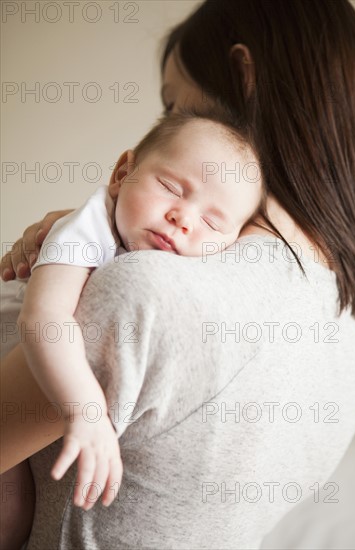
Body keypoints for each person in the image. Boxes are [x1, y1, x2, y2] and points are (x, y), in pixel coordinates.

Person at [1, 0, 355, 548]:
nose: (169, 122)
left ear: (244, 78)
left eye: (175, 103)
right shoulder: (349, 327)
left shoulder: (149, 291)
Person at [16, 110, 263, 510]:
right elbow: (44, 319)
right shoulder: (86, 227)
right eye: (170, 187)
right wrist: (89, 413)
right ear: (121, 173)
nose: (182, 219)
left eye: (213, 223)